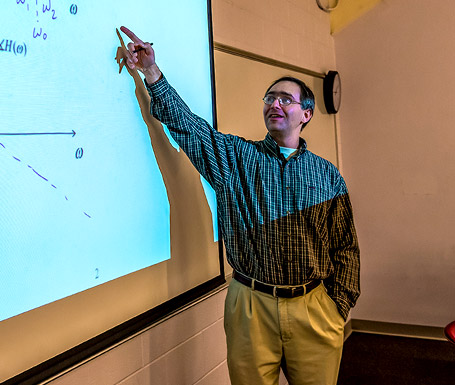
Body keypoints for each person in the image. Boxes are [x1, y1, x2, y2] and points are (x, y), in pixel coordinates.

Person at [120, 26, 360, 385]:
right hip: (250, 304)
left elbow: (347, 249)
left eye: (285, 99)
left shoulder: (327, 176)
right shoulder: (236, 158)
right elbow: (190, 128)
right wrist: (152, 73)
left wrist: (337, 306)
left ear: (306, 115)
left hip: (314, 309)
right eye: (269, 97)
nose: (274, 104)